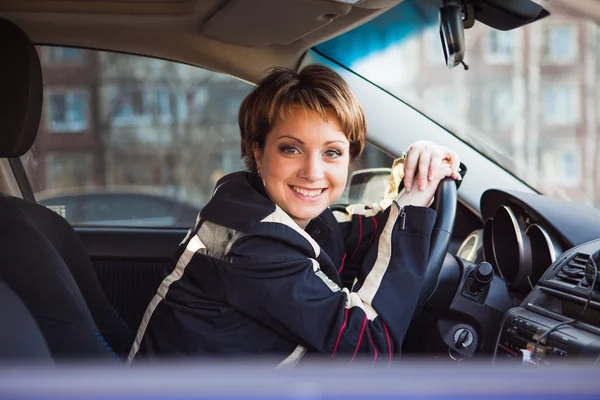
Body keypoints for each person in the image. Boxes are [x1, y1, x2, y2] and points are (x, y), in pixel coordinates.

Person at [127, 65, 462, 366]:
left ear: (349, 158)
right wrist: (412, 211)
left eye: (331, 152)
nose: (313, 172)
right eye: (291, 149)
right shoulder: (253, 243)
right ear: (258, 152)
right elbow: (370, 346)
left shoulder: (262, 207)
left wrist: (419, 176)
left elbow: (352, 232)